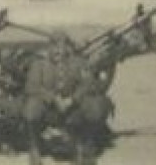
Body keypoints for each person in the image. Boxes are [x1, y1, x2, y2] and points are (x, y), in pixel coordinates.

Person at [23, 32, 113, 165]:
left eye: (61, 47)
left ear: (67, 48)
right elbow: (31, 86)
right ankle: (34, 147)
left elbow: (88, 83)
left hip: (72, 104)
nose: (57, 51)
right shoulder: (39, 64)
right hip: (49, 106)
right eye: (54, 47)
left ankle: (86, 146)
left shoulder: (78, 62)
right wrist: (53, 98)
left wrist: (73, 99)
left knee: (95, 107)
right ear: (49, 48)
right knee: (31, 108)